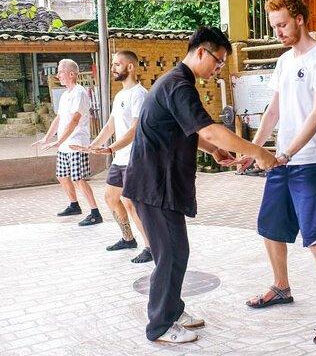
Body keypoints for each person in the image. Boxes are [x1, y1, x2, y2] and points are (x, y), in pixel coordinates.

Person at [122, 26, 277, 344]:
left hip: (158, 182)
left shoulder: (178, 83)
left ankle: (173, 309)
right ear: (202, 52)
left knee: (177, 251)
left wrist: (214, 150)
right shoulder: (179, 86)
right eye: (218, 62)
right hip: (155, 184)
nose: (218, 70)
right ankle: (160, 325)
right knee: (170, 253)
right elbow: (211, 129)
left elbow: (193, 131)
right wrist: (258, 151)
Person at [241, 0, 316, 346]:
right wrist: (253, 150)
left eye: (283, 24)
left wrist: (286, 152)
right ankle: (281, 287)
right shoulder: (284, 61)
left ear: (300, 19)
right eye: (274, 26)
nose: (278, 32)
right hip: (281, 161)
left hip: (310, 160)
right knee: (271, 227)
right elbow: (272, 112)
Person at [74, 50, 152, 263]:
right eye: (113, 64)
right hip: (120, 159)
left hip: (135, 159)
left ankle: (150, 247)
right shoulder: (119, 96)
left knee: (130, 203)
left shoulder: (140, 94)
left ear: (130, 67)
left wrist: (110, 148)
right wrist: (93, 146)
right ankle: (128, 238)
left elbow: (135, 129)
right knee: (110, 198)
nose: (113, 68)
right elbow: (110, 125)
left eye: (117, 64)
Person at [32, 59, 103, 226]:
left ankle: (95, 212)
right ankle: (74, 205)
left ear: (71, 74)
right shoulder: (65, 95)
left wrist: (60, 140)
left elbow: (75, 120)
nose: (57, 75)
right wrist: (47, 138)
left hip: (76, 142)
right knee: (62, 176)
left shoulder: (79, 93)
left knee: (79, 179)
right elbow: (59, 118)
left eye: (60, 72)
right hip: (64, 144)